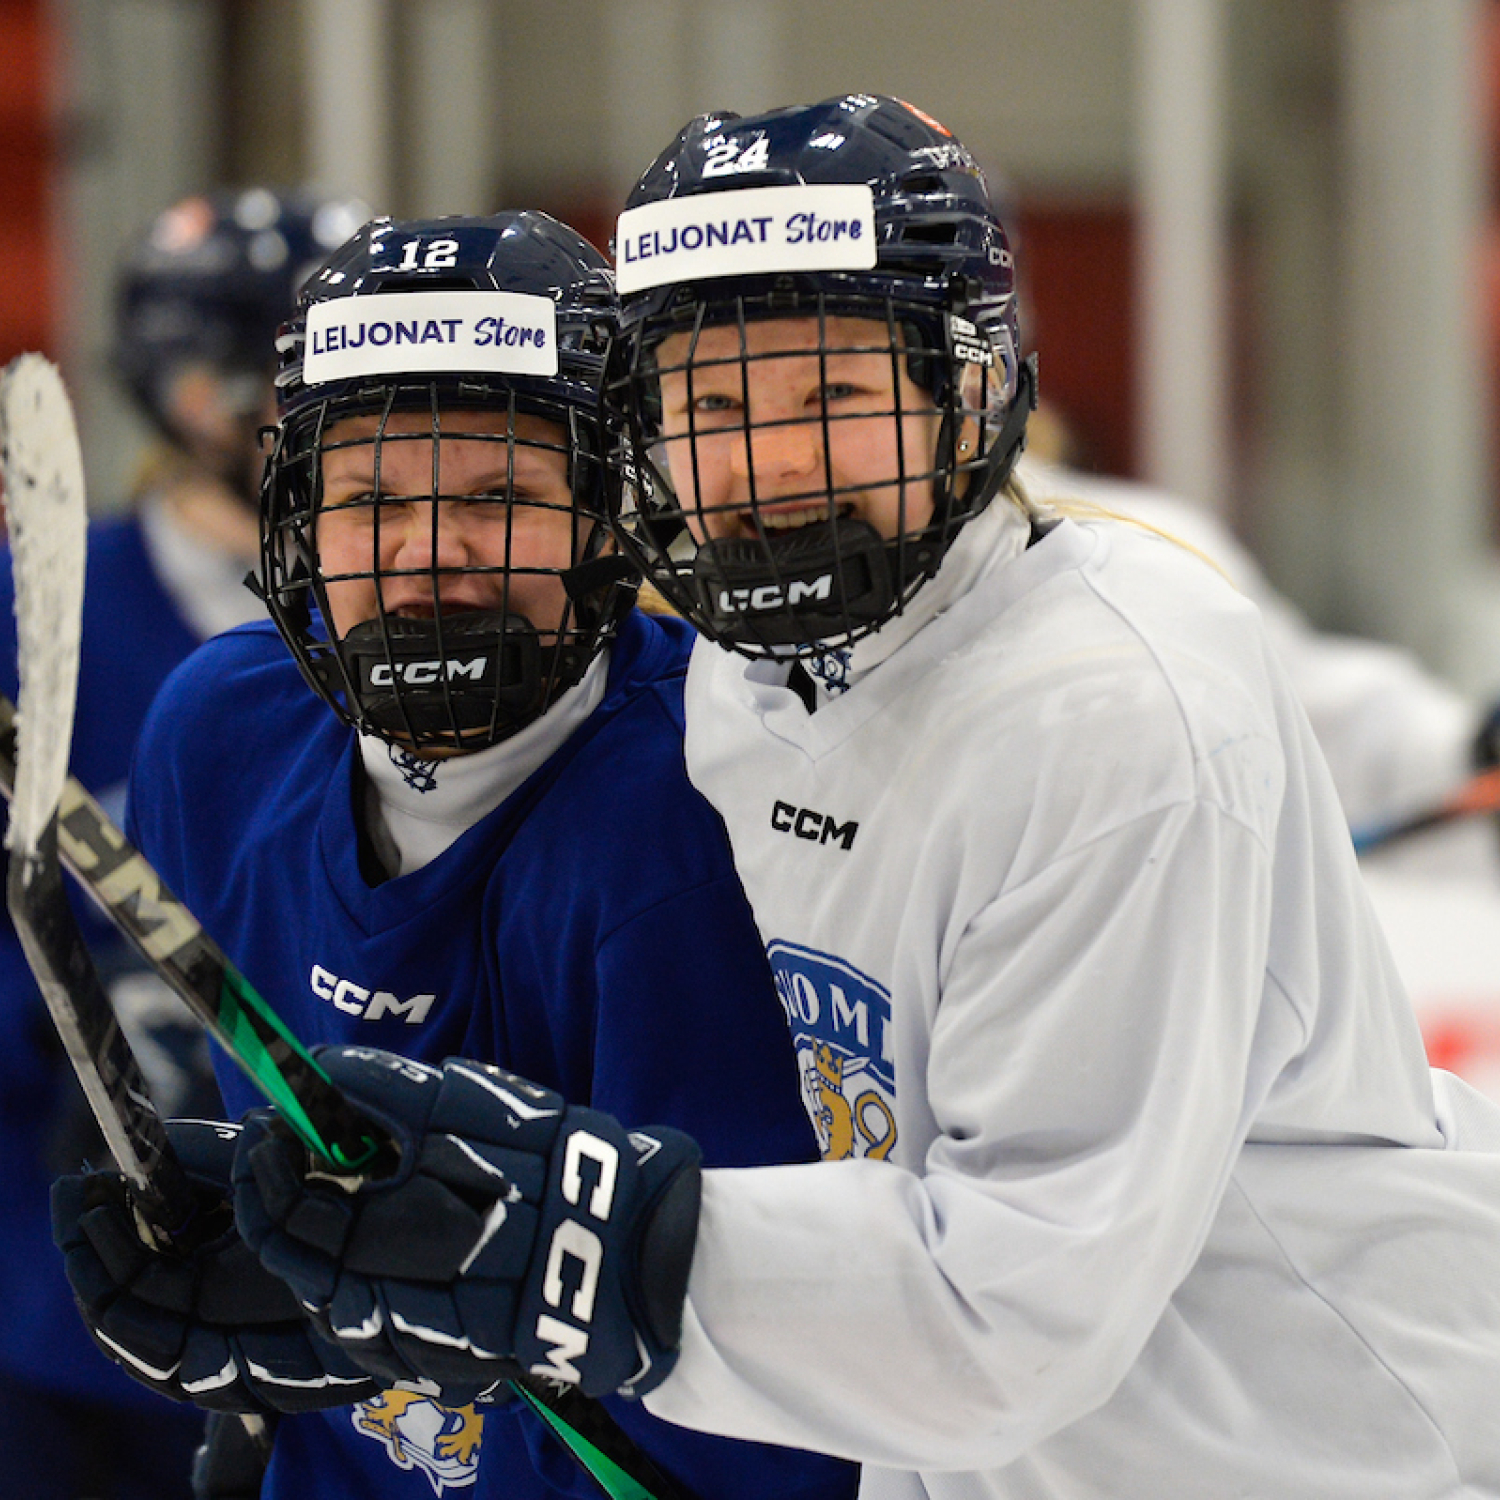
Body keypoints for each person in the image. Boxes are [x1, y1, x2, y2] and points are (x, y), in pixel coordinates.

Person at [225, 96, 1500, 1499]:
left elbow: (1015, 1299)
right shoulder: (748, 676)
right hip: (998, 1452)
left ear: (966, 392)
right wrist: (332, 1249)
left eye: (829, 397)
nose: (765, 462)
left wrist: (565, 1247)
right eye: (709, 407)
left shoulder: (1106, 711)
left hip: (1302, 1448)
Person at [50, 208, 858, 1500]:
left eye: (500, 496)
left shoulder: (707, 813)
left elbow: (769, 1415)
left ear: (612, 511)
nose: (432, 555)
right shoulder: (220, 733)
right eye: (370, 499)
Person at [0, 185, 365, 1500]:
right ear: (200, 392)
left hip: (356, 1295)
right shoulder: (31, 610)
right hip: (70, 1320)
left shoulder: (437, 615)